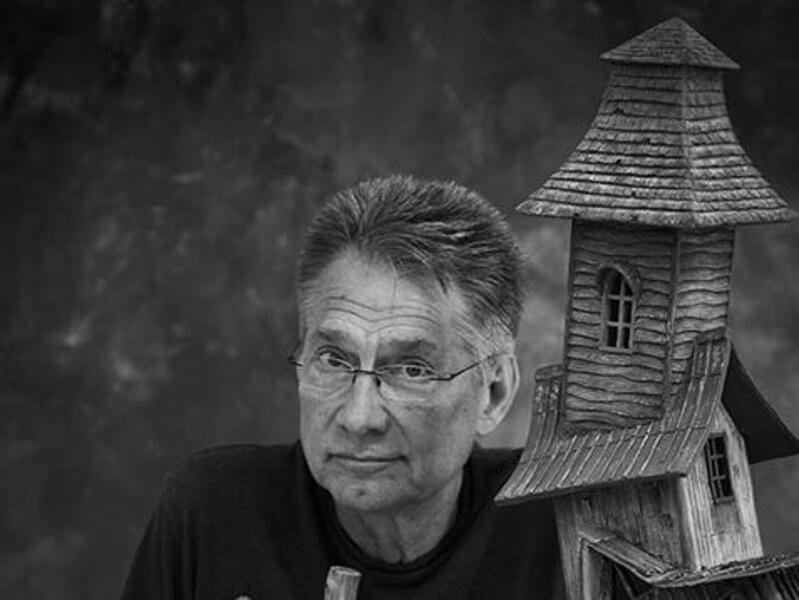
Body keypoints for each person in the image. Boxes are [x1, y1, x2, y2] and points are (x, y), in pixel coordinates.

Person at [120, 175, 563, 599]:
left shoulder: (558, 527)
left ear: (494, 393)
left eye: (412, 370)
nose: (359, 418)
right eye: (334, 360)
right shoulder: (216, 512)